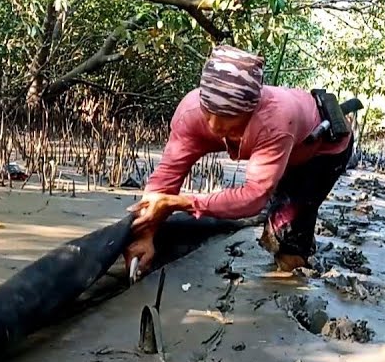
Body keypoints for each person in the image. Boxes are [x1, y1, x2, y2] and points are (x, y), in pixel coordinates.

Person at [123, 45, 354, 273]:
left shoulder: (275, 121)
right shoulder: (190, 114)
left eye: (231, 125)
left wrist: (181, 203)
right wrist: (145, 235)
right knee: (279, 218)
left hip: (322, 151)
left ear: (252, 111)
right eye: (208, 116)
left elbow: (253, 199)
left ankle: (294, 269)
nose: (216, 128)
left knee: (286, 234)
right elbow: (165, 178)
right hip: (283, 148)